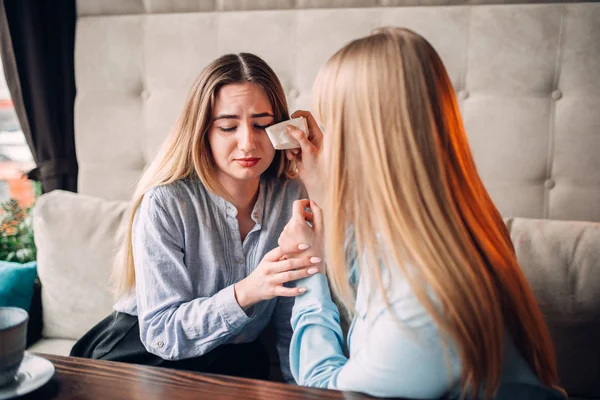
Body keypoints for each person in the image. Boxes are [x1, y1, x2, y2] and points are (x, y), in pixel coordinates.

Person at [278, 28, 566, 398]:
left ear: (367, 141)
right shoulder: (436, 232)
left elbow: (326, 392)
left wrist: (310, 265)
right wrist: (328, 198)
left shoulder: (428, 305)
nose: (320, 140)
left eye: (331, 125)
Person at [70, 53, 321, 382]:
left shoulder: (293, 196)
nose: (248, 143)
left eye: (261, 124)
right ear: (203, 132)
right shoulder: (166, 203)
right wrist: (248, 291)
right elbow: (161, 334)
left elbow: (295, 319)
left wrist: (319, 175)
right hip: (141, 355)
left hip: (236, 358)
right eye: (228, 126)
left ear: (279, 129)